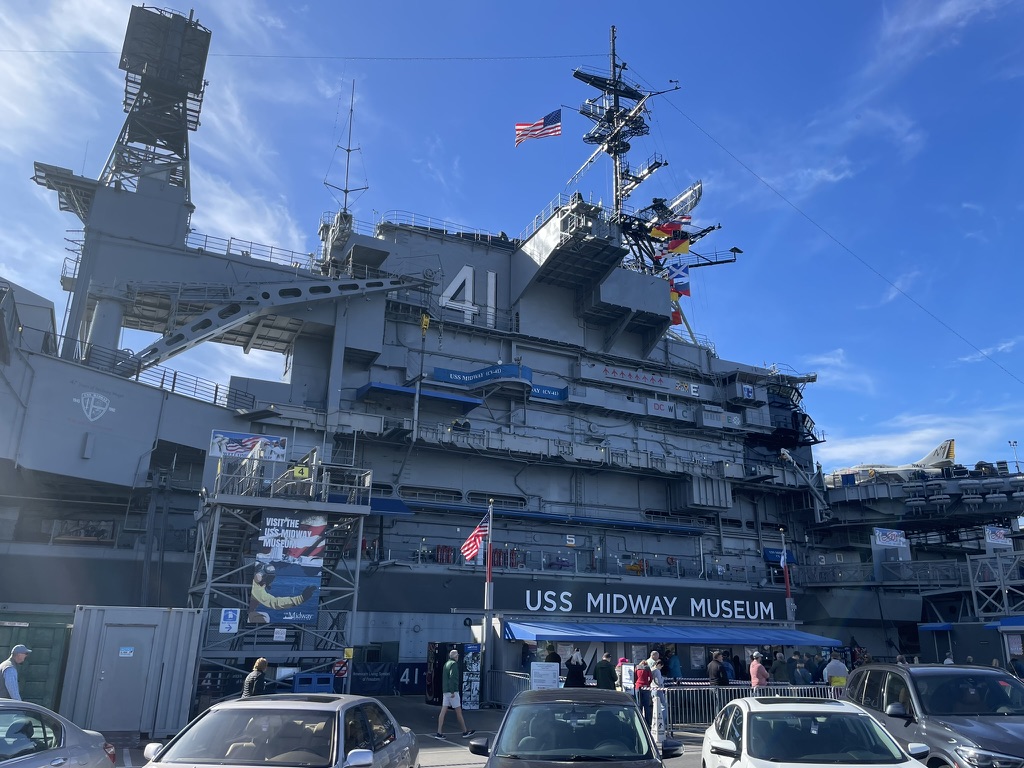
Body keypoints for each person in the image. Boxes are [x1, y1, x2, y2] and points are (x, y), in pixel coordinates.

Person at [248, 563, 316, 623]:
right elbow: (274, 602)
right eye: (269, 578)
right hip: (245, 613)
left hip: (246, 611)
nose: (270, 581)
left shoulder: (256, 585)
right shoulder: (256, 588)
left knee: (265, 616)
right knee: (264, 618)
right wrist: (300, 599)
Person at [436, 649, 474, 739]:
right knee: (458, 712)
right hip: (452, 692)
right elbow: (452, 678)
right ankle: (465, 731)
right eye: (457, 655)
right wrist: (453, 691)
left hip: (446, 691)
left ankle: (439, 732)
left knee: (443, 711)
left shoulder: (446, 664)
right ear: (456, 656)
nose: (458, 657)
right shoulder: (454, 664)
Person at [634, 659, 653, 727]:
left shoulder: (637, 668)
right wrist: (648, 684)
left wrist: (636, 683)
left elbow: (634, 677)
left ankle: (639, 722)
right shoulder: (647, 668)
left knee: (639, 705)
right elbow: (650, 678)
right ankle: (647, 722)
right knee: (646, 705)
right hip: (645, 687)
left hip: (638, 686)